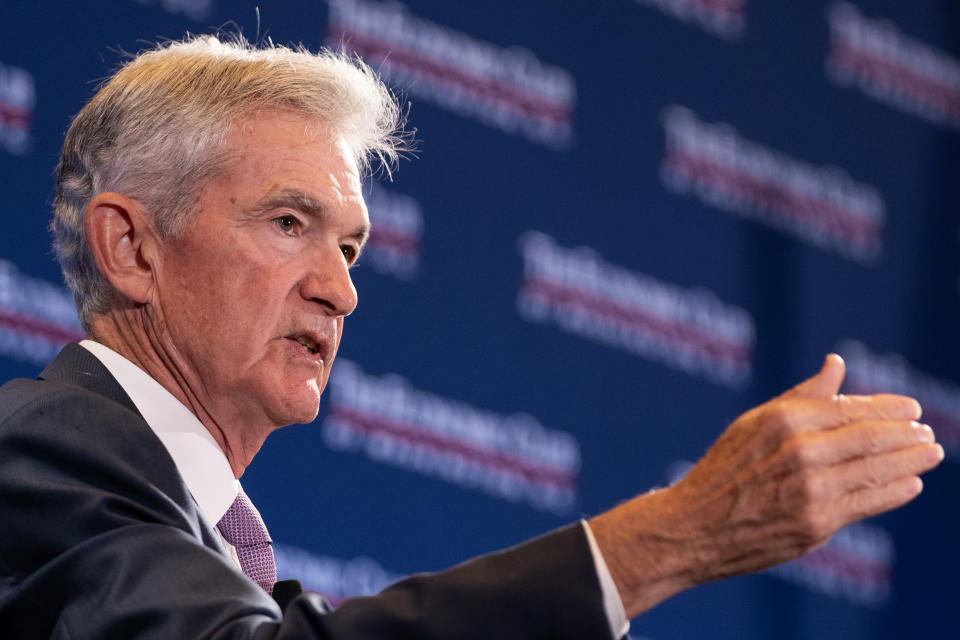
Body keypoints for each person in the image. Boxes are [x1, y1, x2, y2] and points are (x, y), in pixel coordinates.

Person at [0, 35, 942, 639]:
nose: (339, 292)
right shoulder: (39, 448)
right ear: (130, 248)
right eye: (288, 224)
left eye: (352, 248)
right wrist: (674, 535)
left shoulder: (190, 529)